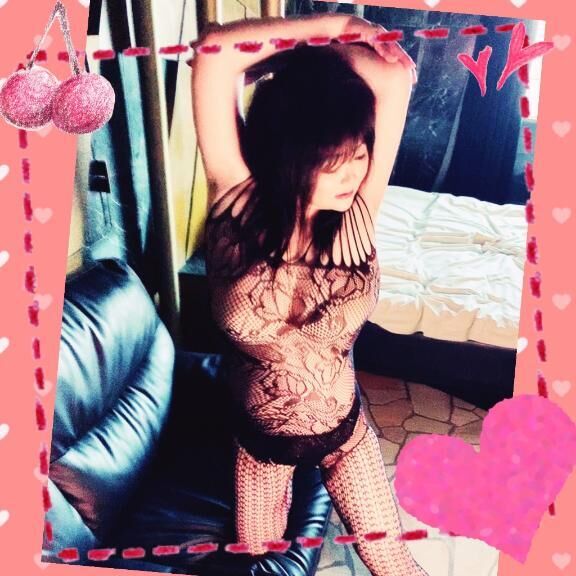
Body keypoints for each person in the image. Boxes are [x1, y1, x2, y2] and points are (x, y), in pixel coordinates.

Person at [191, 12, 425, 576]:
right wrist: (334, 24)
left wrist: (326, 51)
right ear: (290, 157)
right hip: (261, 446)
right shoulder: (236, 204)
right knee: (261, 561)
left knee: (392, 559)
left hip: (346, 432)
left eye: (359, 153)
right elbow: (214, 54)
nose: (353, 174)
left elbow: (394, 76)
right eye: (331, 161)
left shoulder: (359, 213)